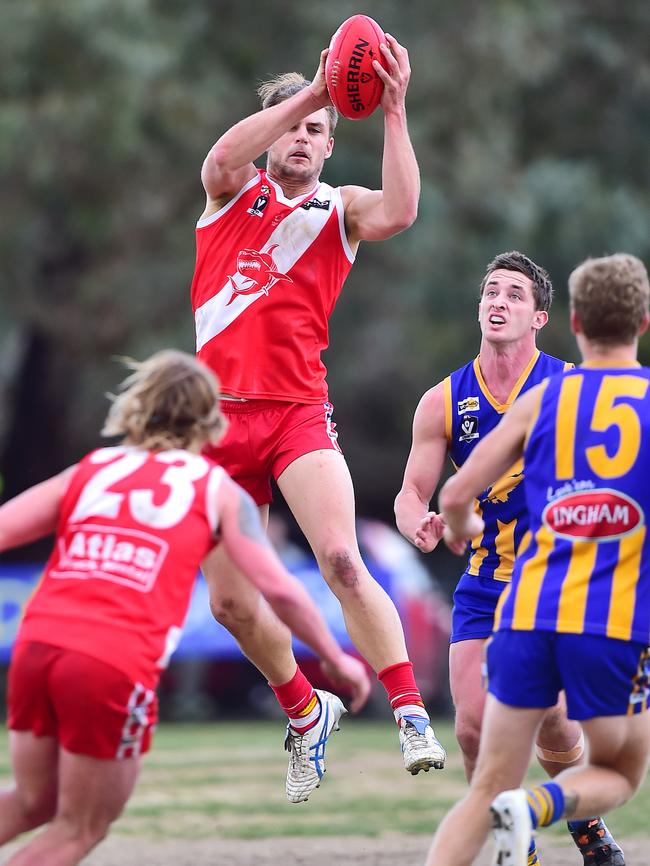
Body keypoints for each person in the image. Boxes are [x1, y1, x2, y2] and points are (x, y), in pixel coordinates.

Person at [190, 32, 445, 803]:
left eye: (316, 131)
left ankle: (408, 711)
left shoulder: (340, 209)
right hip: (216, 424)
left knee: (339, 557)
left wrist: (393, 111)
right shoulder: (229, 191)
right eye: (292, 126)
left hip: (297, 413)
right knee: (231, 603)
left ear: (333, 149)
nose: (302, 137)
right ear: (275, 131)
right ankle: (305, 711)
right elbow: (225, 154)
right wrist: (317, 90)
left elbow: (401, 210)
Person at [0, 350, 370, 866]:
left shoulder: (93, 469)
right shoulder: (216, 489)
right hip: (110, 662)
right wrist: (334, 655)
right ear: (210, 417)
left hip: (36, 647)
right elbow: (279, 589)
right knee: (79, 829)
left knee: (32, 800)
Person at [395, 251, 623, 865]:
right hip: (485, 583)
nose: (498, 301)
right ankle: (511, 848)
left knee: (552, 722)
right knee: (471, 727)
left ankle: (587, 828)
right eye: (490, 291)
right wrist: (417, 522)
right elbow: (413, 493)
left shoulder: (572, 385)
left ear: (541, 316)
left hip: (554, 583)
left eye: (514, 294)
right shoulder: (443, 400)